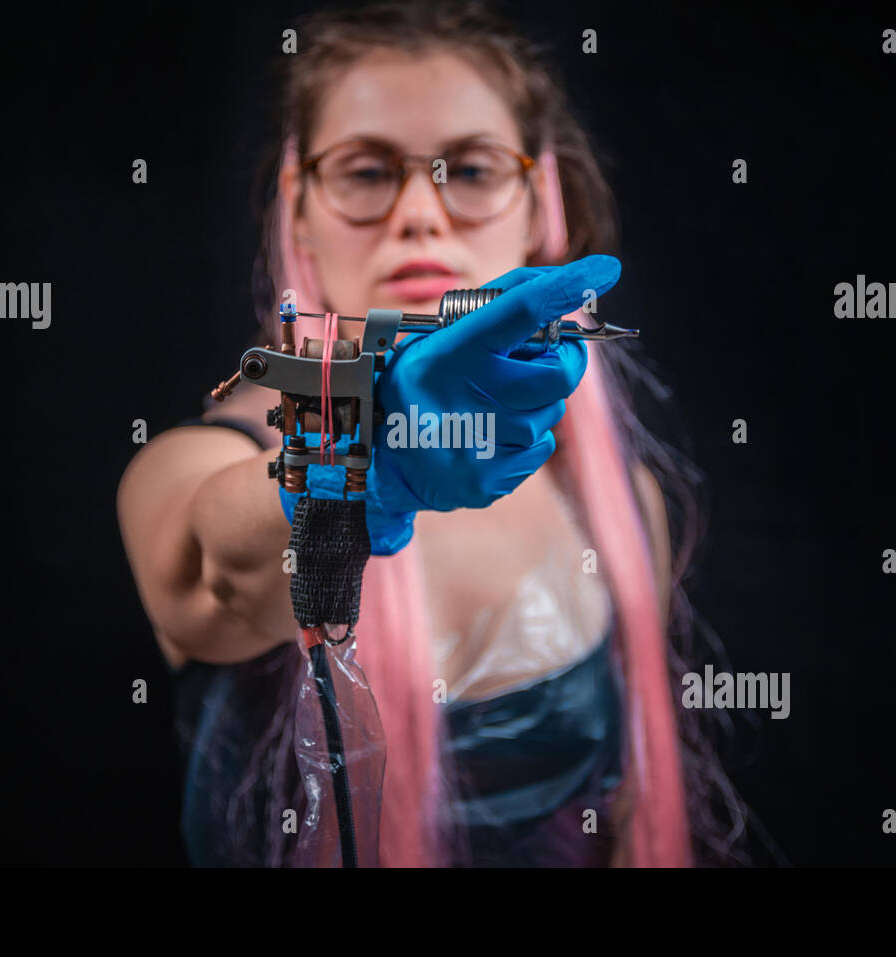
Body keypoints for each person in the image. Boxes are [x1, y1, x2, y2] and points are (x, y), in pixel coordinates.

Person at [117, 0, 749, 867]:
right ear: (298, 208)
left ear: (540, 202)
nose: (420, 211)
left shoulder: (618, 505)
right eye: (368, 172)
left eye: (473, 168)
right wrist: (357, 458)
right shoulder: (209, 457)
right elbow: (214, 577)